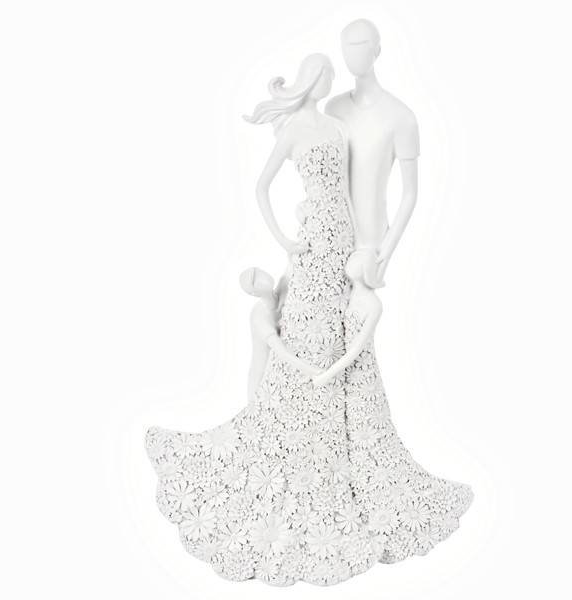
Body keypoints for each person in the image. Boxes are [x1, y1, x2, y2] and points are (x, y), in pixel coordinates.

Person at [145, 53, 385, 586]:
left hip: (340, 236)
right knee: (305, 323)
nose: (329, 81)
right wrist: (284, 239)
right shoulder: (296, 127)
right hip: (310, 238)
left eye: (331, 76)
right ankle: (294, 415)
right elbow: (262, 187)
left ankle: (333, 422)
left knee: (333, 327)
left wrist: (357, 241)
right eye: (324, 74)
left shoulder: (337, 127)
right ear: (312, 79)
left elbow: (346, 193)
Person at [313, 249, 475, 563]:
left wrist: (328, 374)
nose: (351, 266)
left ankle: (375, 486)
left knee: (367, 430)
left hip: (360, 373)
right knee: (348, 430)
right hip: (343, 375)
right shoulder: (348, 295)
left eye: (357, 263)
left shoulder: (373, 304)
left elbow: (356, 349)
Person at [326, 18, 420, 281]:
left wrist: (386, 250)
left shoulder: (401, 118)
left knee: (364, 305)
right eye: (347, 47)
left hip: (371, 242)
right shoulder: (333, 109)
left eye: (361, 46)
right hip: (332, 234)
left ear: (377, 51)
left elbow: (410, 193)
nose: (353, 54)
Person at [239, 266, 319, 402]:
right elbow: (282, 352)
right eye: (254, 279)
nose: (261, 275)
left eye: (257, 271)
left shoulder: (283, 286)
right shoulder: (259, 316)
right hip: (262, 373)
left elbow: (293, 265)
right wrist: (313, 372)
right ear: (254, 293)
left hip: (283, 366)